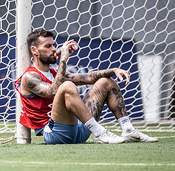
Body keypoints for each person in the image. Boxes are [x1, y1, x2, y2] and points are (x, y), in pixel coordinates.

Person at [15, 30, 158, 144]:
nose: (54, 49)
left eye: (53, 45)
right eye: (48, 46)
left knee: (105, 82)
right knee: (67, 86)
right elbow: (53, 91)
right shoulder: (29, 77)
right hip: (55, 133)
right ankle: (100, 133)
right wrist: (64, 59)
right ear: (35, 50)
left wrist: (113, 70)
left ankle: (128, 130)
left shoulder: (55, 73)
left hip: (79, 129)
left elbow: (89, 77)